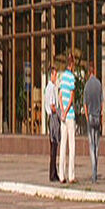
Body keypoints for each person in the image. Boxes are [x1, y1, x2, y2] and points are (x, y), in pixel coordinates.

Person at [58, 53, 77, 184]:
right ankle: (71, 175)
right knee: (72, 145)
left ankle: (61, 175)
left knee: (62, 144)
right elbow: (71, 98)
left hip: (63, 116)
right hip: (70, 115)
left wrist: (62, 110)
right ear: (72, 64)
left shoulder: (62, 77)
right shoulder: (71, 78)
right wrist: (67, 110)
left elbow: (60, 96)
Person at [84, 61, 103, 183]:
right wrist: (100, 115)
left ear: (88, 72)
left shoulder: (86, 86)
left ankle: (93, 171)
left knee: (91, 145)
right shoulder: (99, 84)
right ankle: (95, 169)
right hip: (97, 116)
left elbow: (85, 104)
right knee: (97, 144)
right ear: (94, 71)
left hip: (90, 117)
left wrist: (86, 117)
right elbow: (102, 104)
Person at [44, 66, 60, 182]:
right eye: (55, 75)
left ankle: (54, 172)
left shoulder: (48, 88)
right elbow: (52, 106)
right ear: (52, 75)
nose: (56, 77)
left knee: (54, 146)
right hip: (53, 117)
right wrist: (60, 113)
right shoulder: (51, 88)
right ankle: (52, 173)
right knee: (54, 145)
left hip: (51, 117)